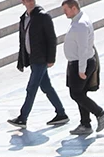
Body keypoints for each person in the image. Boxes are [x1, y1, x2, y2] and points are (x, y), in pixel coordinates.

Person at [9, 0, 69, 128]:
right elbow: (23, 39)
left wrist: (51, 58)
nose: (30, 2)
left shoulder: (43, 16)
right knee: (46, 87)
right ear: (23, 2)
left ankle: (22, 118)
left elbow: (52, 38)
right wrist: (23, 58)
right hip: (32, 58)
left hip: (41, 59)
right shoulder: (24, 18)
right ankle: (61, 114)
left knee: (31, 88)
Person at [60, 1, 104, 135]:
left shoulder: (80, 25)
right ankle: (85, 124)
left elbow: (83, 49)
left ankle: (100, 113)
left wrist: (81, 69)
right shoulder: (80, 20)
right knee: (80, 93)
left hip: (81, 63)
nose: (64, 13)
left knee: (76, 94)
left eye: (66, 10)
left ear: (74, 8)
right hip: (78, 62)